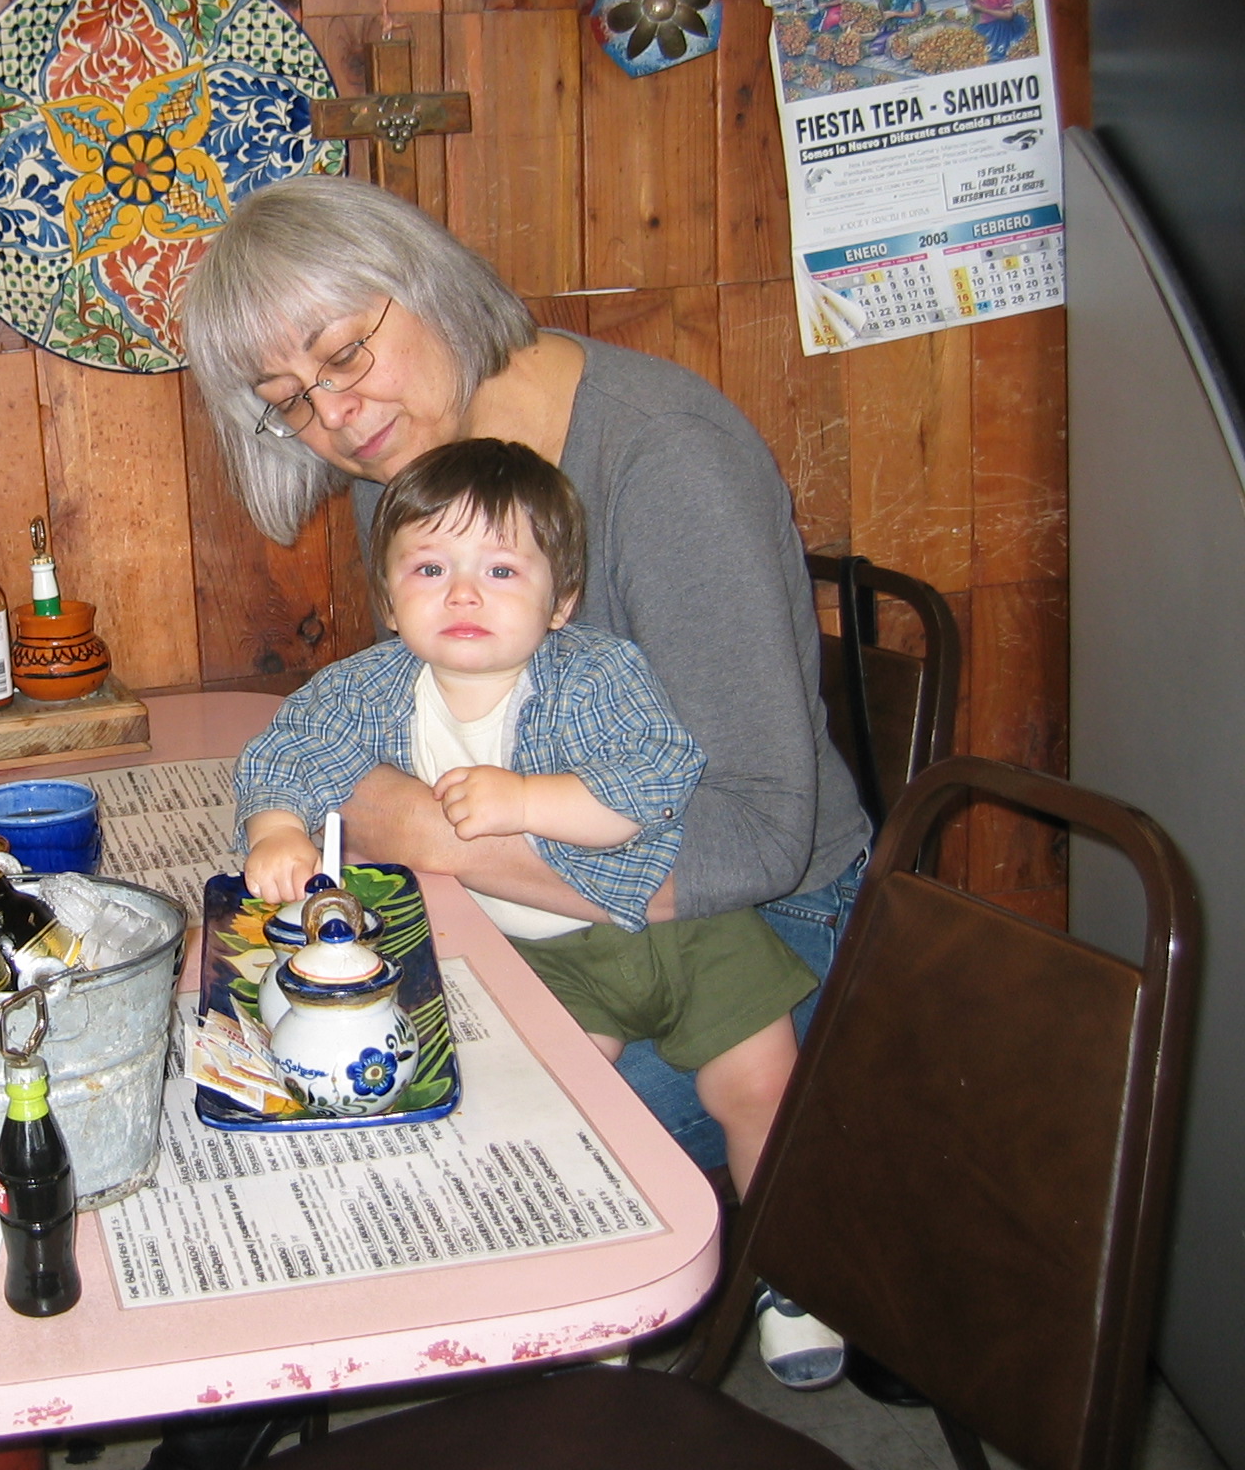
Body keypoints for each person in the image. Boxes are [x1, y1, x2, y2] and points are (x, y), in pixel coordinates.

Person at [183, 177, 868, 1161]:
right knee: (288, 1058)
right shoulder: (409, 466)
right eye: (289, 401)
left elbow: (757, 840)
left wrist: (442, 835)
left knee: (453, 1145)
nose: (334, 414)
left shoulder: (666, 463)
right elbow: (400, 720)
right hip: (555, 921)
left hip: (760, 929)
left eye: (342, 353)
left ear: (425, 281)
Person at [238, 440, 819, 1215]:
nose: (463, 594)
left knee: (761, 1092)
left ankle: (783, 1269)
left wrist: (525, 802)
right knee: (555, 1118)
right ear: (388, 599)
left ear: (561, 601)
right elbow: (291, 748)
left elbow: (656, 775)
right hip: (542, 962)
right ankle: (597, 1265)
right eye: (430, 569)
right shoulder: (367, 688)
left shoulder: (593, 672)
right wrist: (277, 828)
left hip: (690, 938)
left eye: (502, 571)